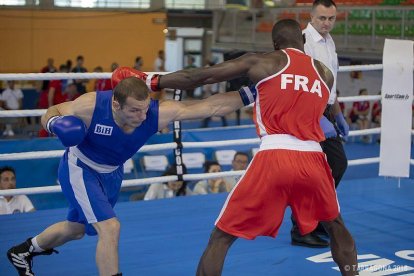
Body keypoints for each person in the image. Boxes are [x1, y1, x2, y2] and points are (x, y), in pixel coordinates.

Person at [138, 18, 357, 275]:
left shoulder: (263, 62)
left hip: (275, 155)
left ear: (275, 44)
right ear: (304, 40)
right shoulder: (325, 73)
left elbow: (200, 76)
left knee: (221, 237)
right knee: (336, 225)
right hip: (313, 157)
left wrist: (152, 81)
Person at [7, 65, 254, 276]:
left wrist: (251, 94)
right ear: (116, 104)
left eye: (145, 108)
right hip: (80, 169)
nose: (141, 116)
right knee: (110, 227)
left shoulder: (154, 115)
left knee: (77, 229)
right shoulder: (92, 105)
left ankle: (23, 251)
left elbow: (209, 107)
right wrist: (54, 123)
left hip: (112, 173)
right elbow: (54, 111)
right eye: (134, 110)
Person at [296, 0, 350, 248]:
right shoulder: (303, 42)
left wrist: (337, 114)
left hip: (326, 111)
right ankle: (302, 229)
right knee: (313, 172)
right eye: (322, 18)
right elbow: (300, 83)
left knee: (334, 166)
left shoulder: (330, 42)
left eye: (331, 19)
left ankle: (316, 222)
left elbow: (330, 85)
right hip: (307, 113)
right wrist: (315, 116)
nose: (327, 23)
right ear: (311, 16)